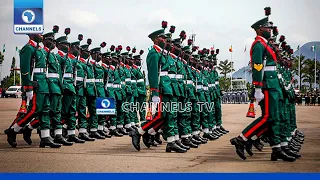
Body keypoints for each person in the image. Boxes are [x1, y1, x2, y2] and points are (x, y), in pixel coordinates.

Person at [230, 15, 296, 162]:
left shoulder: (264, 44)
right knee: (268, 117)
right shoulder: (258, 44)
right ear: (259, 29)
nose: (270, 30)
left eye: (270, 28)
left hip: (273, 85)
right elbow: (258, 67)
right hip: (267, 85)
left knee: (273, 118)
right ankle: (242, 138)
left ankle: (276, 147)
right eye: (267, 28)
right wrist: (258, 88)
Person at [5, 34, 61, 148]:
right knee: (34, 110)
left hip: (43, 84)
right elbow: (25, 69)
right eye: (38, 33)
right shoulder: (28, 48)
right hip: (35, 83)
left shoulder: (39, 50)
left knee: (45, 110)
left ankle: (45, 137)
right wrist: (28, 87)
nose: (41, 35)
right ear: (31, 34)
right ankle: (14, 130)